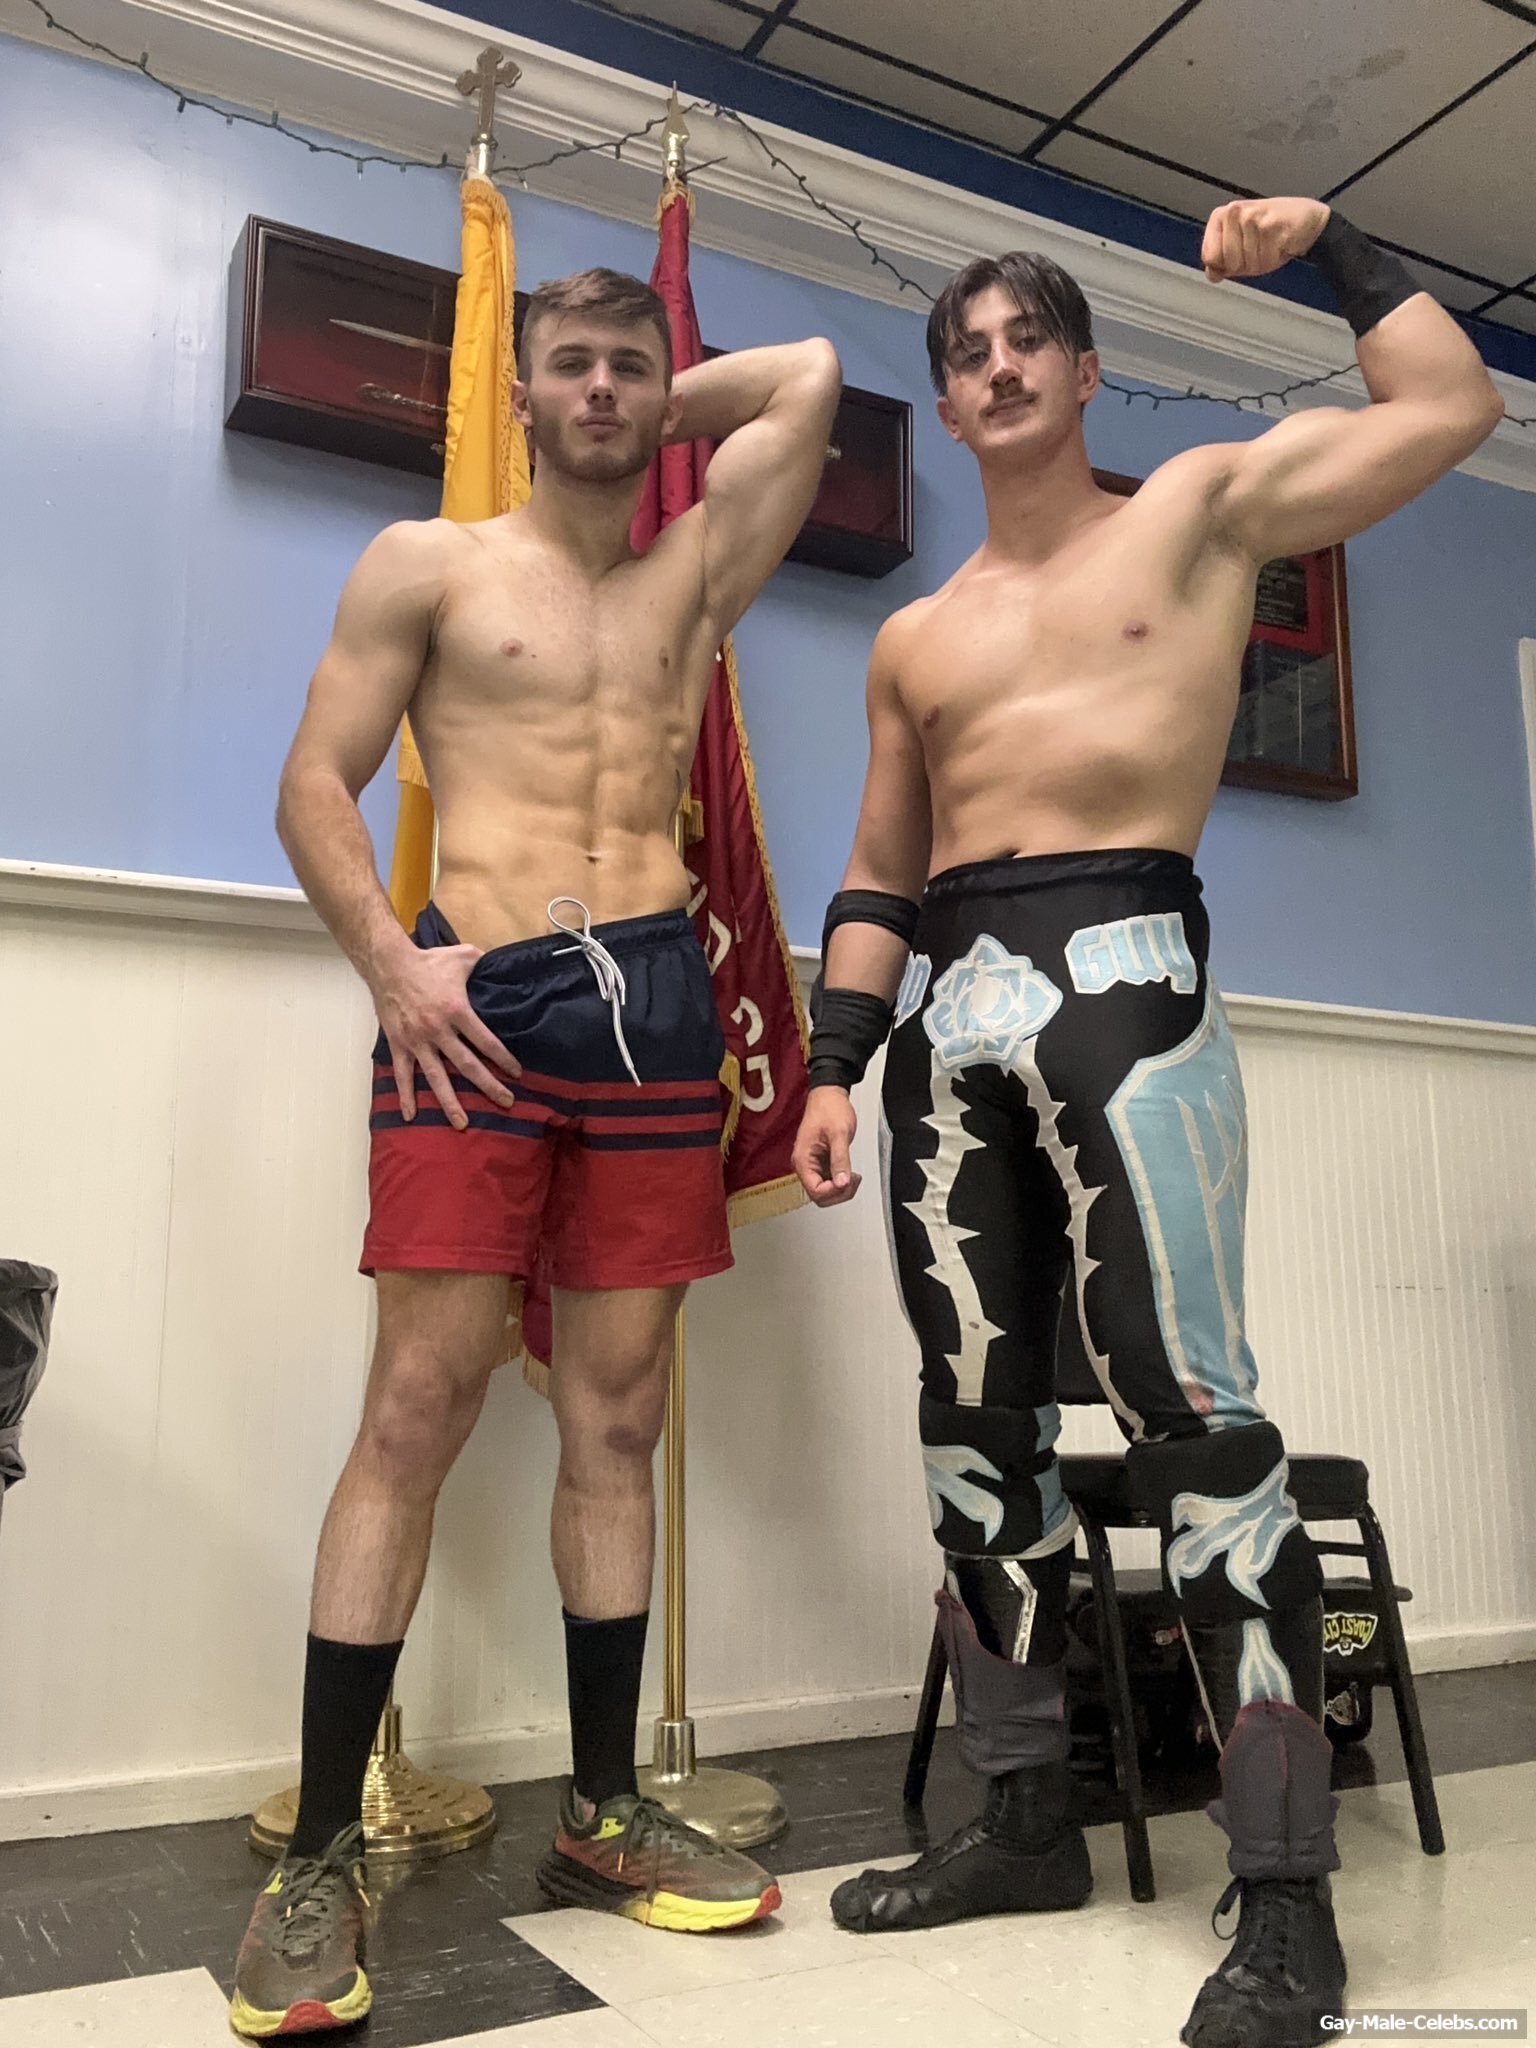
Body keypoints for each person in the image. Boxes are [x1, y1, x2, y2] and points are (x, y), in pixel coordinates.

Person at [792, 198, 1502, 2048]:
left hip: (1131, 991)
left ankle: (1285, 1896)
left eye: (1028, 337)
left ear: (1086, 369)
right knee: (975, 1432)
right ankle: (1026, 1823)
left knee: (1198, 1423)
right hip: (948, 1025)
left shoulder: (1193, 512)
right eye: (966, 352)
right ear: (947, 400)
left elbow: (1450, 408)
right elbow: (878, 869)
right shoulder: (916, 637)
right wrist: (830, 1064)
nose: (998, 367)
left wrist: (1340, 246)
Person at [229, 267, 840, 2039]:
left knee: (618, 1417)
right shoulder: (426, 565)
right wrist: (389, 962)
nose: (601, 391)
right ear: (516, 391)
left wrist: (664, 401)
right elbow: (314, 781)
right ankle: (319, 1854)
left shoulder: (692, 575)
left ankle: (601, 1812)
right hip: (476, 1006)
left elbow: (808, 376)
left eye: (628, 369)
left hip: (657, 1007)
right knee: (414, 1410)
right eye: (566, 366)